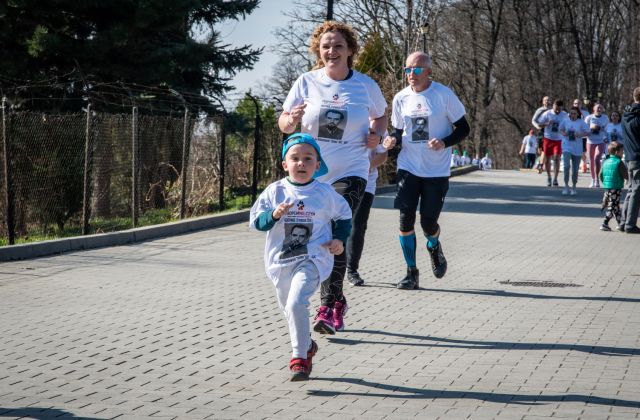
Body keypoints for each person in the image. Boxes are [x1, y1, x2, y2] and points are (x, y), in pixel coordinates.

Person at [278, 21, 387, 333]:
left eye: (338, 45)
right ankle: (337, 300)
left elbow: (380, 116)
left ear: (350, 50)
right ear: (318, 50)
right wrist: (290, 119)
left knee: (336, 234)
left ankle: (327, 308)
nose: (331, 51)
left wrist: (376, 136)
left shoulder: (365, 85)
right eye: (326, 46)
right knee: (324, 238)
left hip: (353, 171)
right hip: (316, 177)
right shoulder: (306, 82)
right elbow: (284, 124)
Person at [249, 133, 352, 381]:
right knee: (289, 307)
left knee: (297, 302)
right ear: (285, 164)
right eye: (295, 158)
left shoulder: (325, 193)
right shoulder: (275, 192)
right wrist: (273, 215)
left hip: (313, 258)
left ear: (318, 164)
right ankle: (307, 346)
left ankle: (299, 358)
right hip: (281, 261)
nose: (301, 163)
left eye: (308, 159)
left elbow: (344, 215)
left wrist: (339, 240)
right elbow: (256, 223)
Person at [384, 51, 469, 290]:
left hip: (436, 171)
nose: (412, 74)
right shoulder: (401, 98)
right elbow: (397, 132)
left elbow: (464, 128)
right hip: (408, 167)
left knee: (428, 223)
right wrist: (391, 142)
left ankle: (434, 245)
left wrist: (444, 142)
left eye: (417, 69)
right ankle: (411, 272)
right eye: (408, 69)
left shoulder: (443, 95)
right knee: (404, 219)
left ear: (429, 71)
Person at [346, 138, 394, 286]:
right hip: (337, 181)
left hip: (365, 184)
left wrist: (367, 166)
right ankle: (328, 268)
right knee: (331, 224)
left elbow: (383, 155)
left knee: (357, 226)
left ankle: (351, 270)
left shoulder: (377, 125)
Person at [620, 87, 640, 233]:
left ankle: (623, 221)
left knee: (631, 189)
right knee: (636, 190)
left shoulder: (626, 114)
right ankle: (630, 224)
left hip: (629, 156)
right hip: (638, 156)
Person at [559, 107, 590, 195]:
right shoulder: (565, 121)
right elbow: (560, 129)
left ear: (578, 114)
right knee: (566, 166)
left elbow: (588, 132)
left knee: (575, 169)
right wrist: (564, 133)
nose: (572, 115)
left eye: (574, 113)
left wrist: (580, 134)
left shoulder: (581, 122)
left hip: (577, 148)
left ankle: (574, 186)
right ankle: (566, 185)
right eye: (571, 113)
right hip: (566, 146)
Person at [537, 99, 567, 187]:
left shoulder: (565, 115)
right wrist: (547, 123)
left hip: (559, 139)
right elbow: (539, 124)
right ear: (553, 106)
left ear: (562, 108)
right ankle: (549, 177)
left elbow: (569, 124)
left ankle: (555, 178)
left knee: (557, 158)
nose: (557, 111)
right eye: (556, 109)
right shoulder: (547, 113)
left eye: (559, 109)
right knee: (547, 159)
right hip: (548, 139)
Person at [599, 141, 628, 231]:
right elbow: (625, 174)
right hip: (616, 186)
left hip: (607, 186)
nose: (623, 153)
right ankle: (605, 223)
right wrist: (628, 179)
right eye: (622, 151)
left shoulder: (605, 161)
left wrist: (605, 183)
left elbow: (600, 174)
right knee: (613, 206)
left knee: (615, 206)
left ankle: (620, 224)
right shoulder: (619, 162)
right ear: (616, 152)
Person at [585, 103, 610, 187]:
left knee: (597, 158)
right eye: (597, 108)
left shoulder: (605, 118)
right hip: (590, 141)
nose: (599, 109)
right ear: (593, 109)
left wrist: (600, 128)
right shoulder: (589, 118)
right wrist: (591, 128)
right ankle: (593, 179)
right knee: (591, 160)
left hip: (600, 141)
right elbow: (584, 128)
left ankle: (597, 179)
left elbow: (607, 129)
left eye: (600, 108)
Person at [532, 96, 552, 173]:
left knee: (544, 150)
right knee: (540, 150)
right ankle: (541, 162)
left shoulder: (552, 111)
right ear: (543, 102)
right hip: (541, 130)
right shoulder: (540, 110)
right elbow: (533, 120)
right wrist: (537, 126)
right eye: (545, 100)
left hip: (549, 132)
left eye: (548, 100)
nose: (547, 101)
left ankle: (540, 165)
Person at [573, 98, 590, 173]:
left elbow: (588, 123)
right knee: (574, 150)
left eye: (578, 103)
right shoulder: (570, 113)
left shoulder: (586, 113)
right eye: (575, 103)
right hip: (573, 135)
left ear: (581, 104)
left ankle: (584, 164)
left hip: (583, 135)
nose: (577, 105)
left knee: (582, 151)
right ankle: (576, 165)